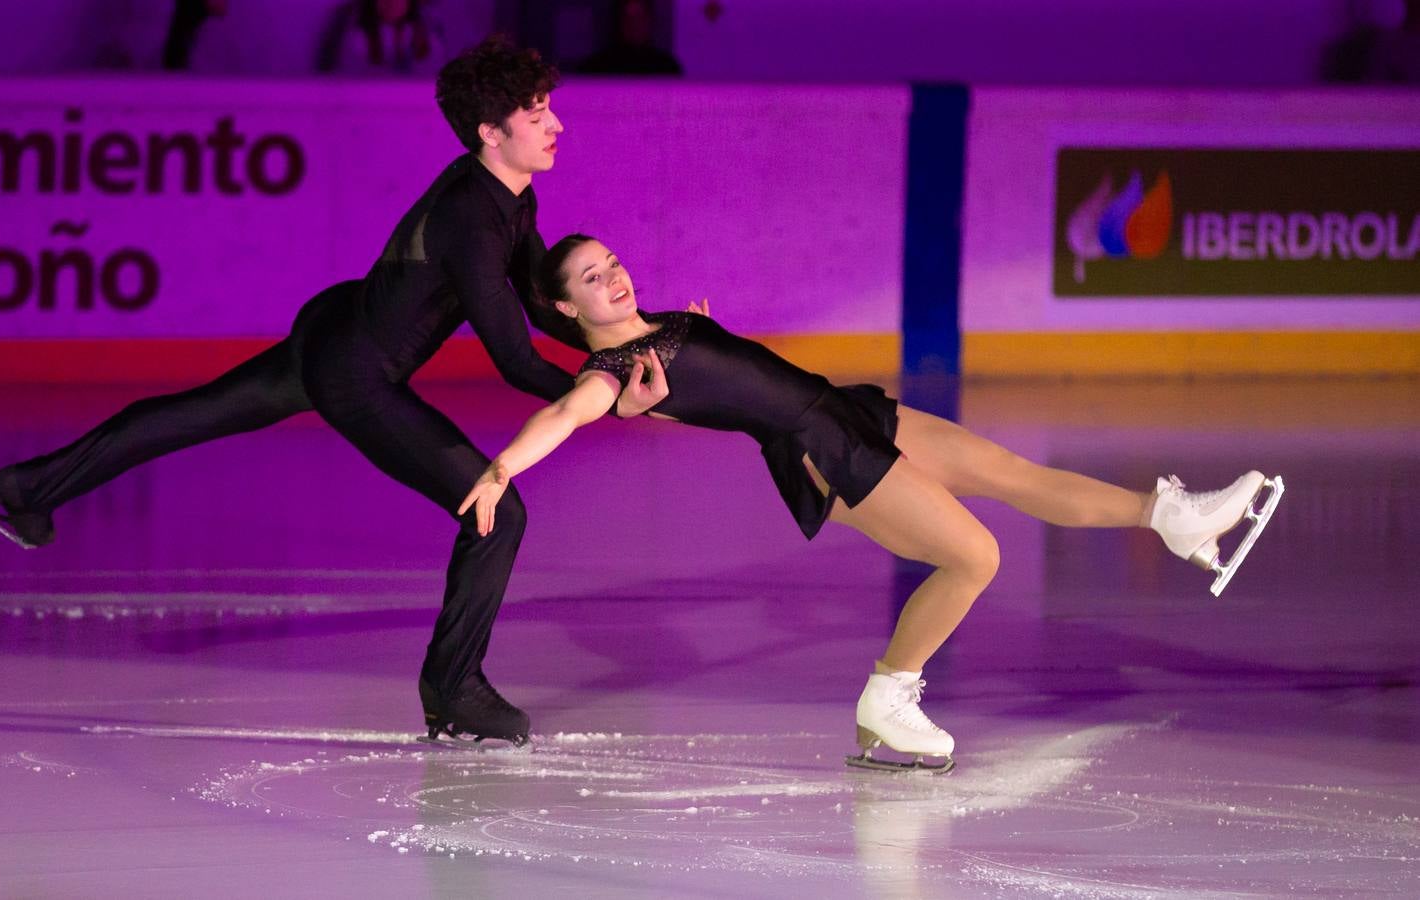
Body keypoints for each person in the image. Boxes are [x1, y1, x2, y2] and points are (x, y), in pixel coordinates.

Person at [0, 38, 672, 747]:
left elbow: (543, 304)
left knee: (194, 413)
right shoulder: (471, 218)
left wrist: (637, 336)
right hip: (356, 375)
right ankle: (454, 691)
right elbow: (514, 358)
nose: (557, 125)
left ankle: (24, 488)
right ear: (492, 132)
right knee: (498, 509)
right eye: (537, 112)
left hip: (337, 330)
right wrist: (607, 395)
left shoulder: (508, 199)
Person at [458, 235, 1284, 771]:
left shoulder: (664, 328)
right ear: (566, 308)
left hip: (843, 409)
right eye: (591, 279)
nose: (615, 277)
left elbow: (722, 381)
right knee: (976, 556)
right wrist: (500, 469)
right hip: (824, 451)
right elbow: (566, 414)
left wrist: (706, 351)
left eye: (612, 262)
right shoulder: (609, 374)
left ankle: (1170, 517)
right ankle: (889, 696)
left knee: (1007, 472)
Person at [317, 0, 448, 77]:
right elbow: (348, 75)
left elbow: (432, 75)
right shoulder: (357, 38)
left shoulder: (426, 36)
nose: (391, 4)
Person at [575, 0, 683, 76]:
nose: (634, 24)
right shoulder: (596, 67)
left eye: (639, 17)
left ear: (650, 20)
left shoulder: (667, 68)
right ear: (619, 21)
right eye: (628, 18)